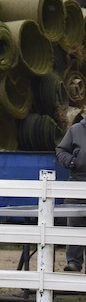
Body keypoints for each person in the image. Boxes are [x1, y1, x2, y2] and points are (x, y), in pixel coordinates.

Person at [56, 115, 86, 272]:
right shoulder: (75, 130)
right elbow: (61, 150)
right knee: (75, 224)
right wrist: (72, 162)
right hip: (77, 184)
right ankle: (74, 263)